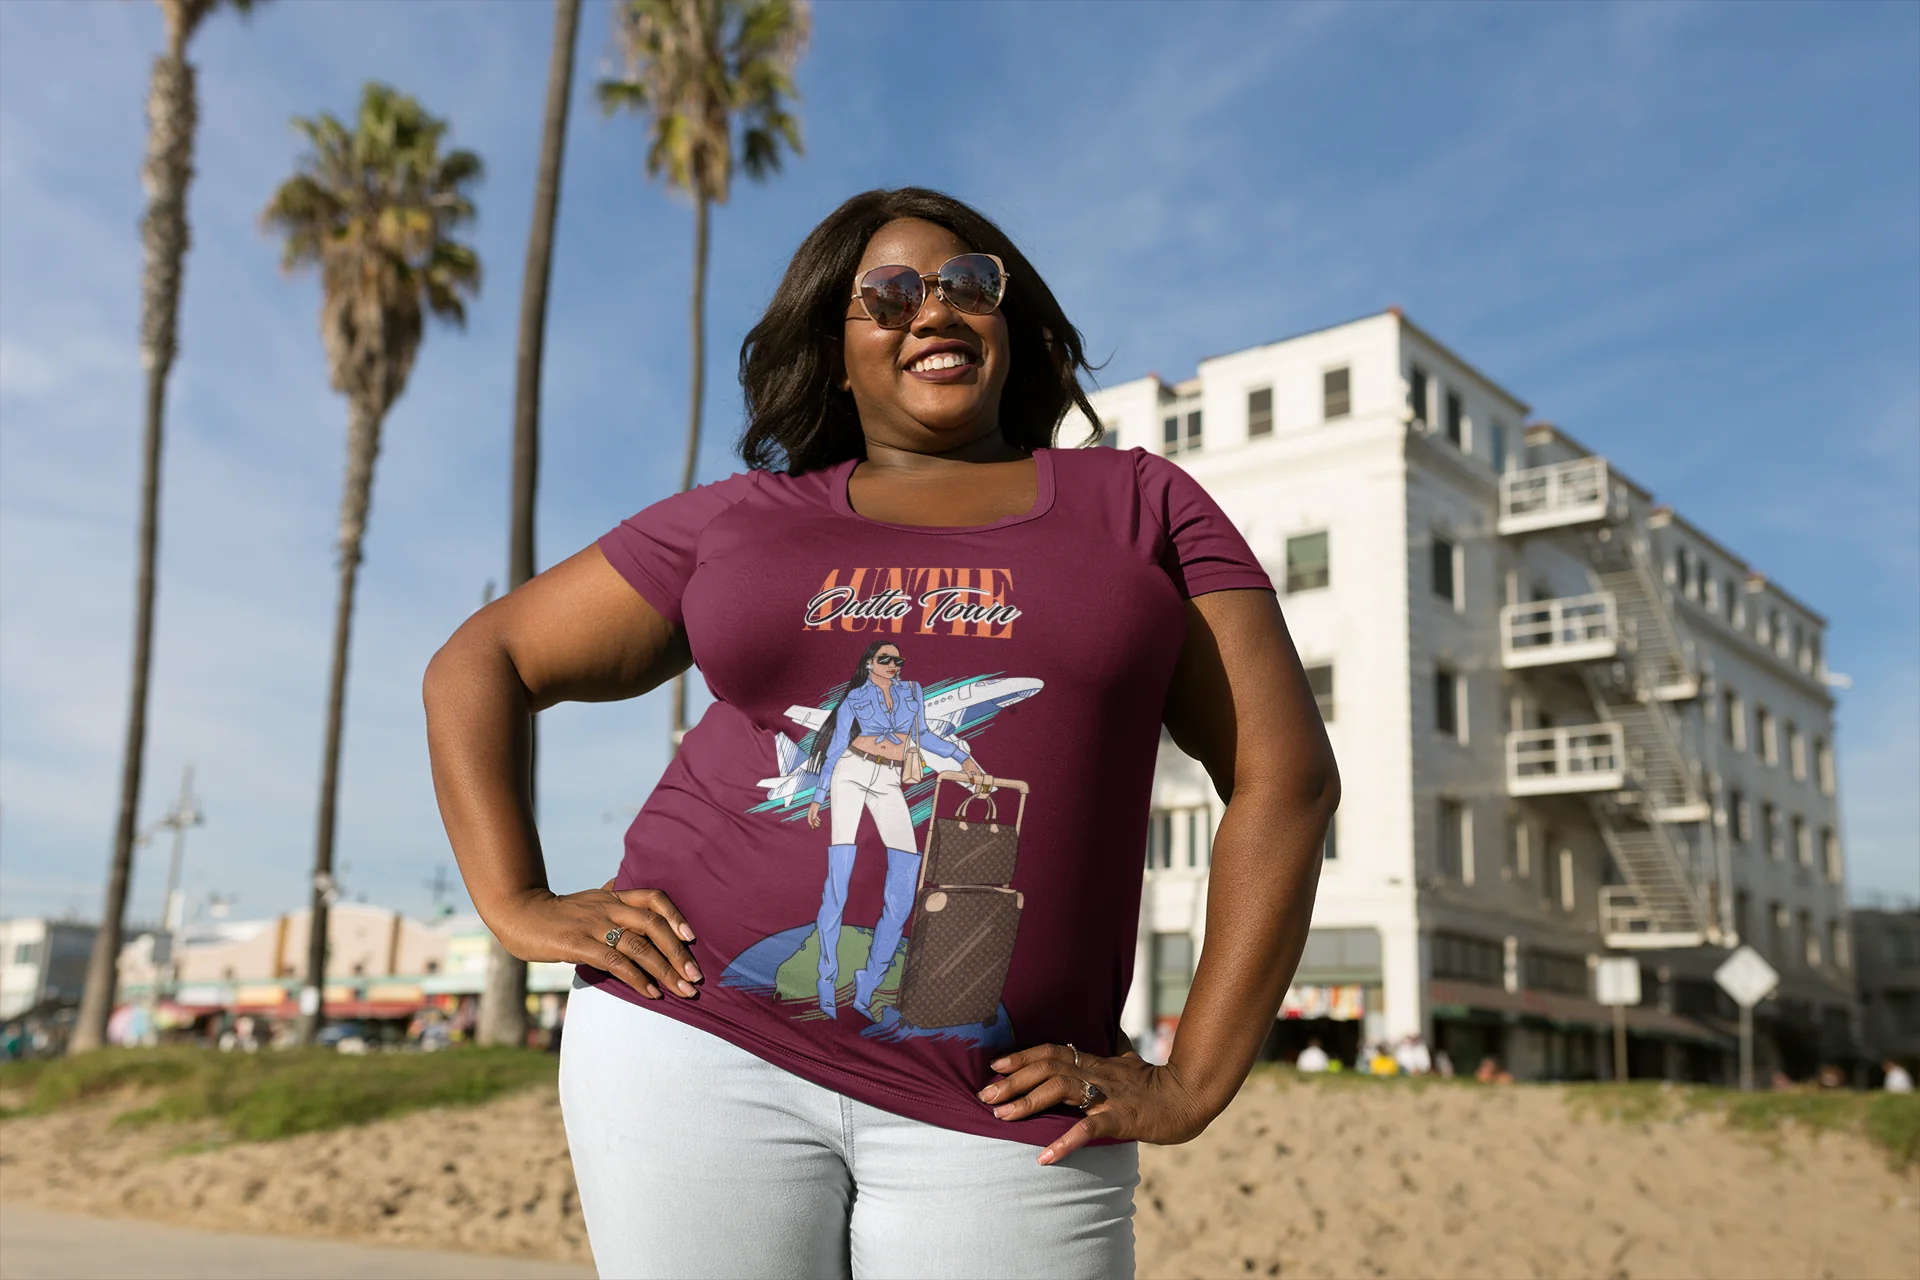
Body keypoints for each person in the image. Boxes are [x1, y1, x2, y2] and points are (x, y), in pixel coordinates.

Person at [425, 187, 1338, 1280]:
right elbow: (480, 661)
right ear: (839, 345)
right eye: (891, 294)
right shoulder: (741, 519)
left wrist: (1192, 1078)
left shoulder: (1140, 505)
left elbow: (1285, 782)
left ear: (1014, 321)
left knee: (901, 869)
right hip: (693, 1046)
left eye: (968, 284)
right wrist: (516, 901)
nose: (934, 310)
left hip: (1010, 1092)